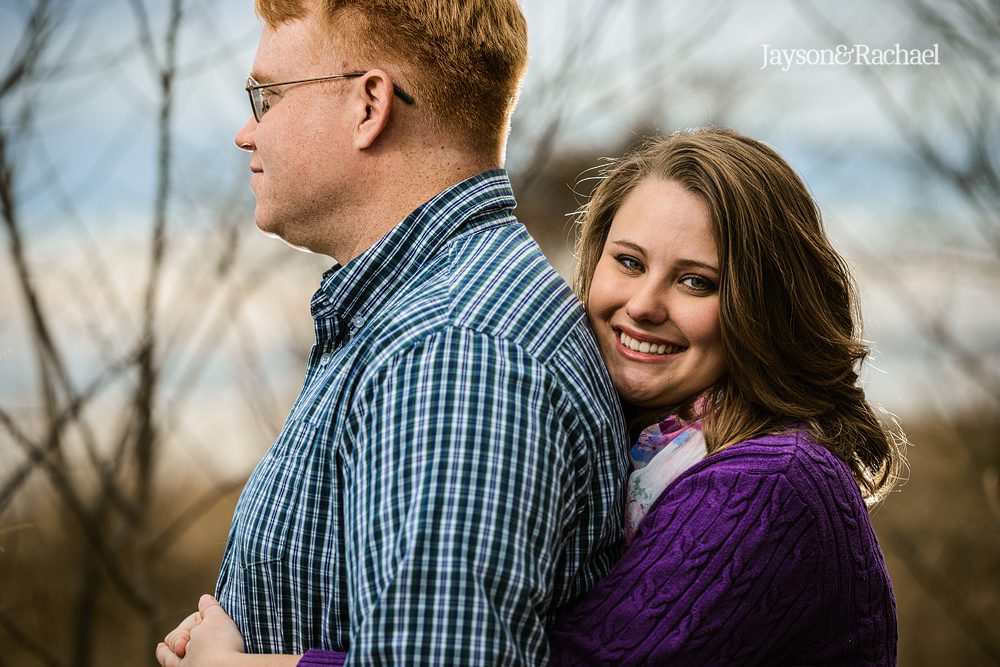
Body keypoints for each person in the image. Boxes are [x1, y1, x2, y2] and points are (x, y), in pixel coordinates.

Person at [155, 1, 629, 665]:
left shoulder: (454, 354)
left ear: (369, 104)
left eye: (266, 95)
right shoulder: (418, 317)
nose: (245, 132)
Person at [546, 127, 904, 665]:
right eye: (629, 262)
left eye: (696, 282)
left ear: (762, 308)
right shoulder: (624, 443)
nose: (643, 305)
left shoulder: (772, 481)